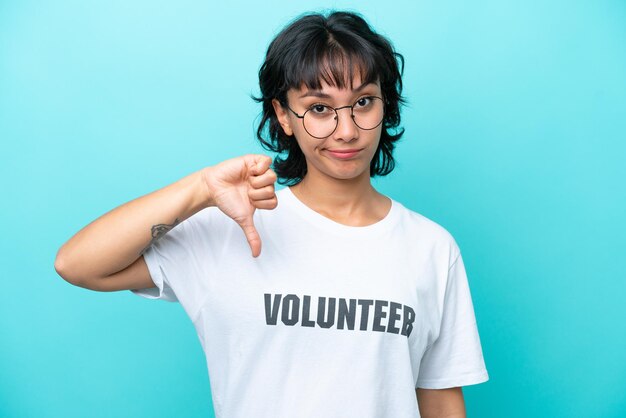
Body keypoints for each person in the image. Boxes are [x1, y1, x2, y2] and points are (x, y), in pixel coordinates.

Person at [54, 10, 489, 418]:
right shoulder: (230, 228)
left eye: (363, 102)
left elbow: (441, 401)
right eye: (319, 108)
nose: (347, 130)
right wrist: (201, 189)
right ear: (283, 114)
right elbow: (77, 264)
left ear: (385, 104)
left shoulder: (431, 248)